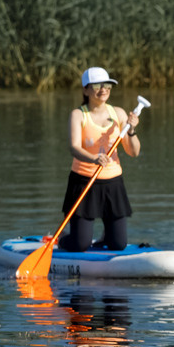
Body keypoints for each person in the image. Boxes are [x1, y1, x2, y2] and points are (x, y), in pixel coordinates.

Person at [63, 66, 140, 252]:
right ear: (85, 90)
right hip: (84, 181)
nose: (103, 89)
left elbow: (134, 152)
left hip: (113, 184)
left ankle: (107, 236)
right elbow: (74, 148)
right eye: (97, 85)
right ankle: (63, 239)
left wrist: (131, 130)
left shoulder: (119, 114)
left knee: (118, 245)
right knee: (80, 245)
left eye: (107, 85)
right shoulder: (78, 115)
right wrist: (93, 158)